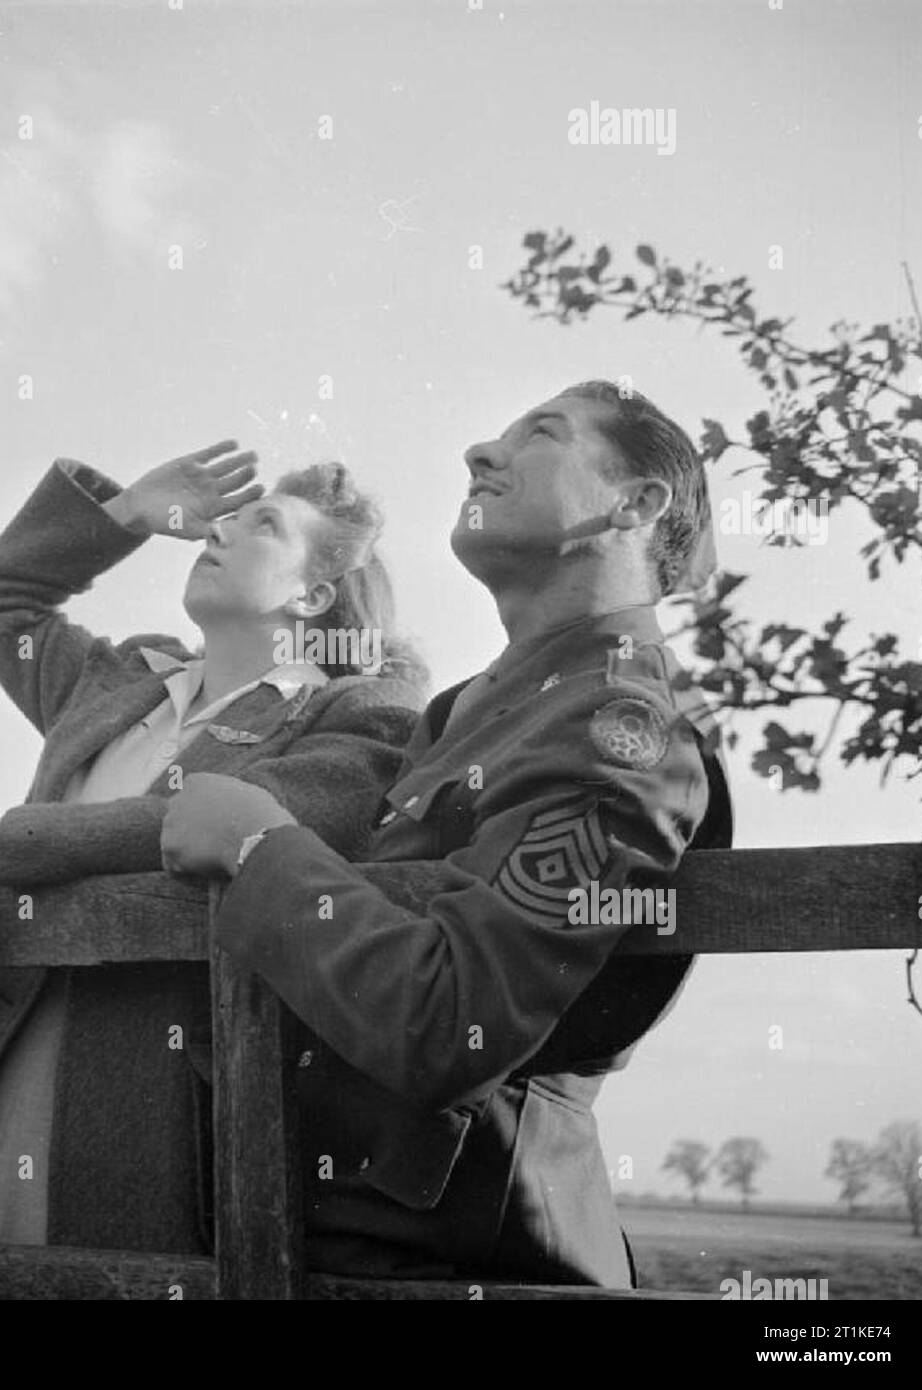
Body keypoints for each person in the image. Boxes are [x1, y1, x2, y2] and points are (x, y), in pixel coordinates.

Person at [162, 382, 734, 1286]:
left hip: (472, 1257)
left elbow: (451, 1025)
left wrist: (254, 846)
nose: (478, 452)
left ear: (634, 504)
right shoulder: (459, 711)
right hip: (338, 1231)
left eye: (539, 434)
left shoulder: (621, 726)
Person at [0, 441, 425, 1252]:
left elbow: (234, 818)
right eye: (227, 514)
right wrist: (125, 517)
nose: (221, 528)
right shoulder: (118, 682)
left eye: (263, 526)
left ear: (313, 595)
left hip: (143, 1079)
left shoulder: (361, 715)